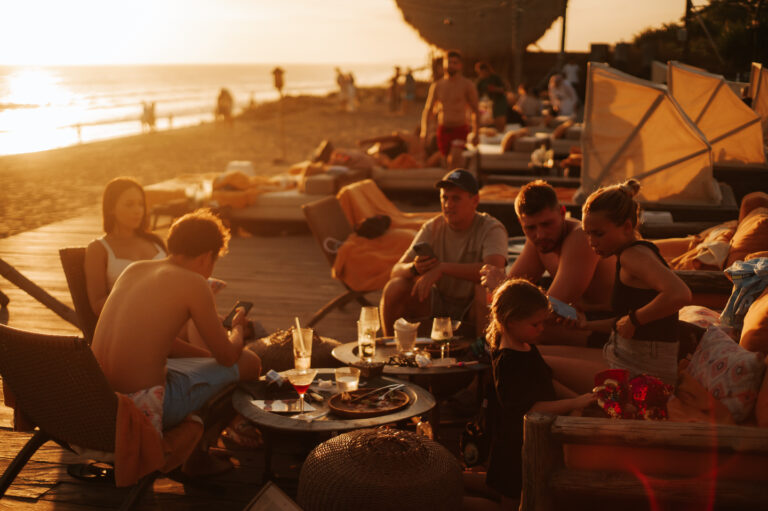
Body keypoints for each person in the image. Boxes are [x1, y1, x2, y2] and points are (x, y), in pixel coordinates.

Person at [91, 209, 262, 473]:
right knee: (250, 362)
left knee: (214, 365)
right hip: (143, 407)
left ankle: (197, 451)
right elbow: (229, 356)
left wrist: (205, 359)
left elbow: (164, 342)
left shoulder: (135, 270)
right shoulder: (194, 283)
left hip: (99, 399)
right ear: (207, 257)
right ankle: (197, 456)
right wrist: (238, 329)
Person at [464, 279, 595, 510]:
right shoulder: (509, 361)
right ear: (511, 322)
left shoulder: (525, 345)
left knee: (510, 489)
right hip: (514, 447)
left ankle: (453, 480)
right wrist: (573, 402)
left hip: (533, 439)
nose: (542, 329)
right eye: (536, 324)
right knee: (512, 503)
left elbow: (547, 381)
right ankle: (446, 500)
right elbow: (528, 408)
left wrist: (582, 398)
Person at [574, 180, 692, 385]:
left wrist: (634, 320)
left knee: (543, 363)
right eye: (587, 233)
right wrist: (586, 325)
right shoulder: (632, 253)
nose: (592, 241)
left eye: (598, 233)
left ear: (627, 227)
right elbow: (623, 321)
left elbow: (680, 293)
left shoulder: (633, 256)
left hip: (646, 370)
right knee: (543, 352)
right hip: (627, 354)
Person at [480, 180, 614, 347]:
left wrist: (500, 287)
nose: (540, 234)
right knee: (507, 323)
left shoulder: (581, 237)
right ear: (521, 224)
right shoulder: (538, 242)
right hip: (577, 320)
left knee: (525, 330)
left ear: (562, 213)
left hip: (609, 326)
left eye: (547, 224)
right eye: (530, 228)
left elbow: (542, 311)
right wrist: (502, 289)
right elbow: (515, 296)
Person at [380, 169, 507, 336]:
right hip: (439, 300)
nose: (448, 204)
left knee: (484, 290)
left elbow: (494, 270)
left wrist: (442, 268)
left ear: (474, 201)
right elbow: (396, 271)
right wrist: (415, 268)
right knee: (395, 287)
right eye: (444, 198)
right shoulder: (432, 227)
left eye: (456, 198)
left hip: (473, 306)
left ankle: (485, 351)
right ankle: (391, 349)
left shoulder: (491, 228)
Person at [85, 177, 167, 316]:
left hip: (169, 314)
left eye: (141, 204)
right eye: (129, 204)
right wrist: (139, 296)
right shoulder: (99, 249)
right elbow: (98, 305)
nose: (138, 211)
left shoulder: (156, 242)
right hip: (130, 322)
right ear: (111, 208)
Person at [421, 50, 480, 169]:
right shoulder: (437, 85)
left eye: (454, 63)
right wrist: (424, 131)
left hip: (460, 129)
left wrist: (476, 132)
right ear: (443, 64)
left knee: (454, 160)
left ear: (460, 65)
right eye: (448, 62)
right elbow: (428, 109)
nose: (451, 65)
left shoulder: (467, 85)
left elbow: (475, 110)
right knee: (446, 164)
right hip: (443, 129)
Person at [475, 61, 507, 132]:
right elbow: (475, 92)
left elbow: (504, 89)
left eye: (483, 71)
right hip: (489, 102)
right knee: (492, 118)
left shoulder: (495, 78)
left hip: (499, 100)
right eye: (480, 72)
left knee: (499, 117)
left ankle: (501, 132)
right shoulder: (480, 80)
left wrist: (495, 89)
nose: (482, 73)